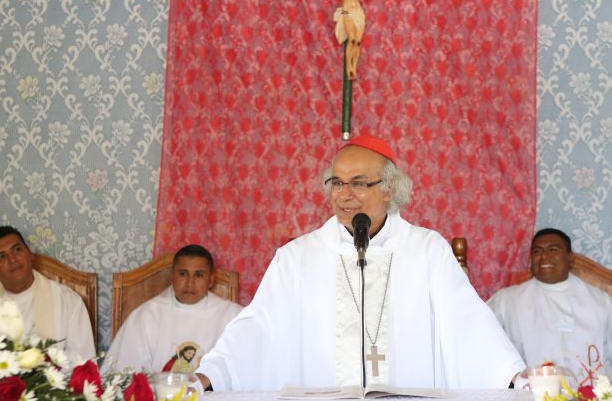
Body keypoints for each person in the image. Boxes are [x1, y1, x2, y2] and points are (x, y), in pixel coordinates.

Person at [196, 135, 524, 390]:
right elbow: (259, 327)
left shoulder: (427, 251)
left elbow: (467, 323)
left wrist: (512, 376)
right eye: (337, 183)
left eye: (358, 183)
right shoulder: (297, 258)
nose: (344, 194)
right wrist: (212, 373)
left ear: (389, 189)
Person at [487, 228, 612, 383]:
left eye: (553, 249)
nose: (544, 256)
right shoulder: (507, 301)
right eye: (537, 251)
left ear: (570, 258)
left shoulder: (601, 301)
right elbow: (478, 341)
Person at [0, 225, 95, 362]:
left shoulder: (68, 302)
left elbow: (82, 363)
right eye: (1, 257)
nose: (13, 260)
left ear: (30, 254)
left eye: (17, 250)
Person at [104, 244, 243, 373]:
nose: (190, 283)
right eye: (183, 274)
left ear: (211, 279)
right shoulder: (147, 315)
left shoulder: (232, 317)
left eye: (199, 275)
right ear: (172, 276)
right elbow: (122, 373)